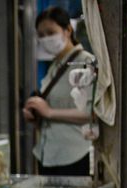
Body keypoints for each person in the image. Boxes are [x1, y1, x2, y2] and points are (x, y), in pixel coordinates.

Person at [24, 7, 95, 176]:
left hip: (74, 155)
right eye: (41, 35)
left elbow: (93, 113)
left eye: (51, 32)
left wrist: (49, 112)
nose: (46, 39)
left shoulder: (85, 62)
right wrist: (36, 114)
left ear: (68, 30)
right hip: (47, 154)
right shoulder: (55, 66)